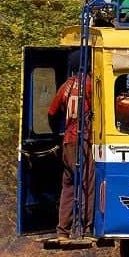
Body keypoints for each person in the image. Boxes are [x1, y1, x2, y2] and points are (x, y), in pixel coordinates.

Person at [47, 50, 94, 241]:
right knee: (87, 184)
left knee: (68, 185)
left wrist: (59, 132)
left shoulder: (66, 86)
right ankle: (87, 228)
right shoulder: (91, 85)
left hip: (68, 141)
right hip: (83, 141)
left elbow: (51, 113)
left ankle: (62, 231)